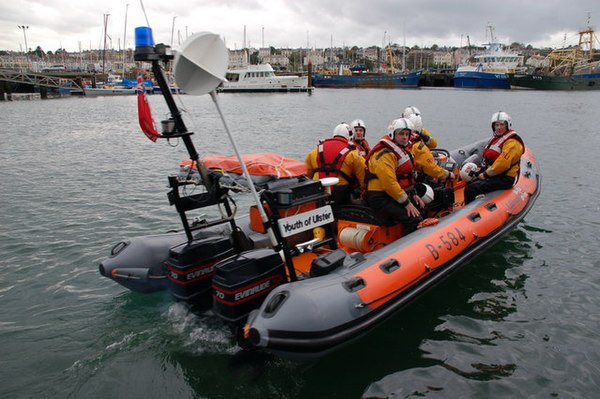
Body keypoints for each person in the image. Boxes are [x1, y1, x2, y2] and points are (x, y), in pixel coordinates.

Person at [365, 118, 424, 234]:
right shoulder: (384, 155)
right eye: (401, 134)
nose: (405, 137)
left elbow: (404, 177)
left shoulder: (400, 151)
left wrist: (413, 194)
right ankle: (407, 248)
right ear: (392, 134)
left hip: (391, 195)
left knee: (420, 208)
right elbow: (389, 183)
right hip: (380, 197)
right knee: (414, 219)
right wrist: (407, 203)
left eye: (407, 134)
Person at [464, 111, 524, 204]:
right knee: (469, 183)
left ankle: (468, 212)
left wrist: (485, 174)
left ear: (507, 125)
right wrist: (482, 170)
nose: (499, 127)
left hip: (504, 178)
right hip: (495, 174)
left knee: (471, 189)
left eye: (502, 125)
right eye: (496, 125)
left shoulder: (512, 143)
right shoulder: (497, 138)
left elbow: (502, 164)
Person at [305, 123, 366, 207]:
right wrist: (364, 192)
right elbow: (363, 175)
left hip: (318, 189)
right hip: (340, 192)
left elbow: (307, 174)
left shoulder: (316, 150)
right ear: (350, 137)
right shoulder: (353, 153)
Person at [407, 114, 454, 182]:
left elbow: (433, 144)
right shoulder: (419, 147)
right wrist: (448, 174)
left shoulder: (399, 142)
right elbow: (431, 168)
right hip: (414, 180)